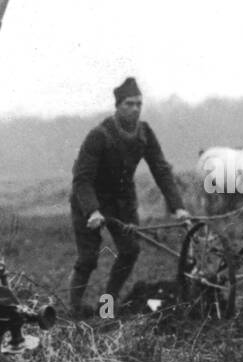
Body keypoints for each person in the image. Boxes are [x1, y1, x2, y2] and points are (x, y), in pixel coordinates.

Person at [68, 77, 190, 317]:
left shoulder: (144, 133)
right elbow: (82, 179)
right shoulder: (99, 135)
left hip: (122, 202)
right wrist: (93, 211)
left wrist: (178, 207)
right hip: (88, 199)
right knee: (88, 258)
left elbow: (161, 169)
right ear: (117, 106)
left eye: (138, 104)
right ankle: (73, 309)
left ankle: (106, 306)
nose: (135, 109)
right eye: (129, 104)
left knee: (130, 250)